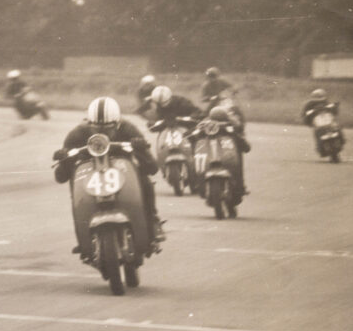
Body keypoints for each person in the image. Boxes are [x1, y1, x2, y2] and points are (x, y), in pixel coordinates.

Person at [52, 96, 166, 245]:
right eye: (96, 128)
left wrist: (140, 148)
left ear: (117, 124)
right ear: (89, 123)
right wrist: (64, 158)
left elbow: (152, 168)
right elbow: (60, 177)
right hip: (90, 173)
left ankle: (152, 219)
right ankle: (83, 238)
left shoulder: (129, 129)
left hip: (123, 169)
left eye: (107, 129)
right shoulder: (78, 134)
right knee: (75, 190)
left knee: (145, 180)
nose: (102, 133)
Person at [186, 105, 251, 195]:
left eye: (220, 121)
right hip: (208, 151)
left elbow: (242, 140)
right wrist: (195, 133)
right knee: (194, 153)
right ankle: (196, 181)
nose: (217, 124)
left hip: (226, 150)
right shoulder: (205, 123)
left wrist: (234, 134)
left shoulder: (231, 125)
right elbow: (190, 135)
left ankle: (239, 185)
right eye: (215, 121)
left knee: (238, 154)